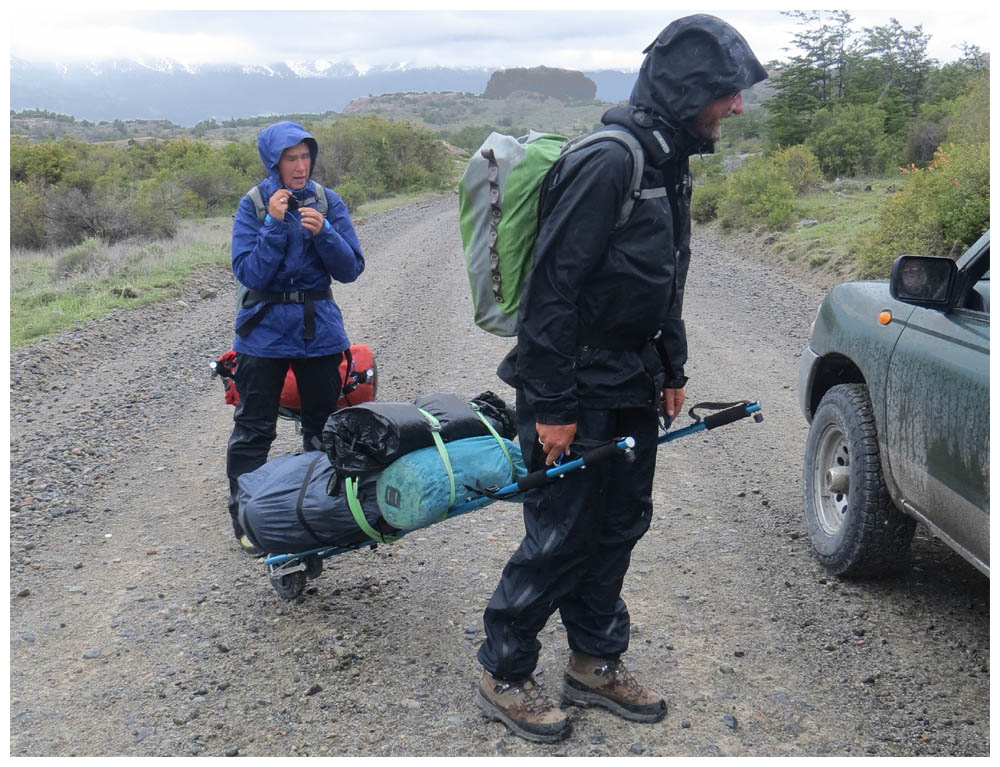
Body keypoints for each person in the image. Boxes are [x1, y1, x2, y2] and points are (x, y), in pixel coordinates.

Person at [474, 15, 767, 743]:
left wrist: (671, 366)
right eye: (726, 91)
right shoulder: (610, 161)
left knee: (621, 522)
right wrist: (551, 405)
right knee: (562, 531)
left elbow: (668, 273)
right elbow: (552, 293)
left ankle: (594, 661)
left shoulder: (669, 161)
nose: (735, 106)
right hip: (574, 382)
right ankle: (503, 667)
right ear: (687, 87)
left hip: (633, 378)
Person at [226, 121, 365, 555]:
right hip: (262, 335)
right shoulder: (253, 205)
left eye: (306, 156)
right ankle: (247, 521)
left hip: (318, 332)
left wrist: (324, 232)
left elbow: (351, 269)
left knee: (323, 429)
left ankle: (321, 514)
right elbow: (248, 272)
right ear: (274, 162)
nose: (301, 166)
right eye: (291, 158)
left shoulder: (329, 202)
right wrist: (274, 222)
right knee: (253, 430)